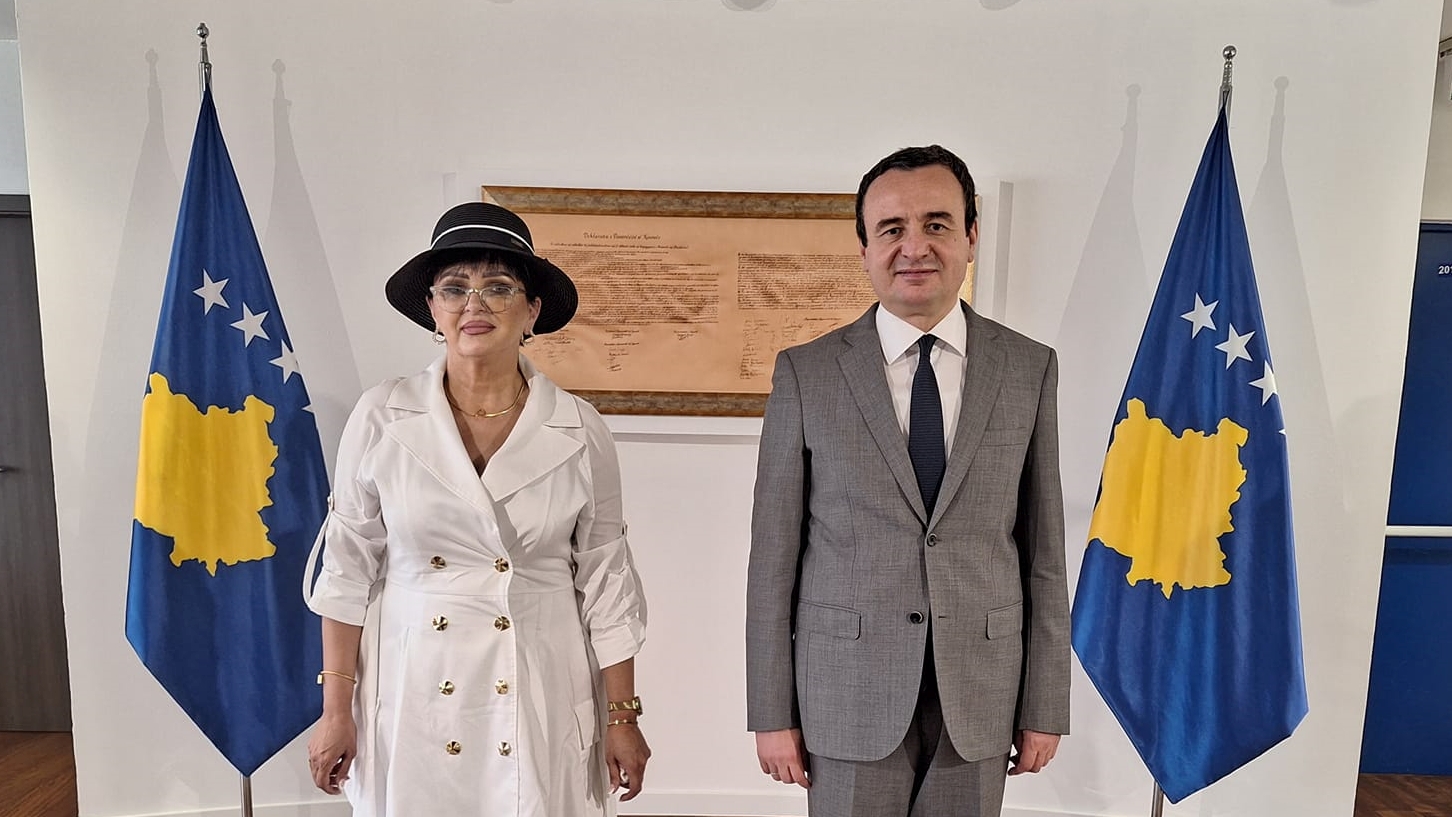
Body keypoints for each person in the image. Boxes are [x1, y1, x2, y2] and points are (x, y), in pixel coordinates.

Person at [745, 145, 1070, 817]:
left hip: (979, 695)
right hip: (846, 692)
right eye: (891, 228)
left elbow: (1044, 554)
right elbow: (773, 556)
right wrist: (771, 712)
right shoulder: (807, 372)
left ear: (971, 236)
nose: (914, 247)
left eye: (936, 224)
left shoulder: (1028, 368)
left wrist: (1046, 704)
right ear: (864, 248)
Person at [305, 202, 649, 815]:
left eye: (498, 287)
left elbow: (608, 580)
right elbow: (346, 571)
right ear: (433, 309)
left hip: (540, 685)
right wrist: (336, 711)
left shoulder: (578, 428)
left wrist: (622, 715)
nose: (475, 304)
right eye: (455, 288)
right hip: (412, 684)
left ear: (532, 310)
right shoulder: (383, 415)